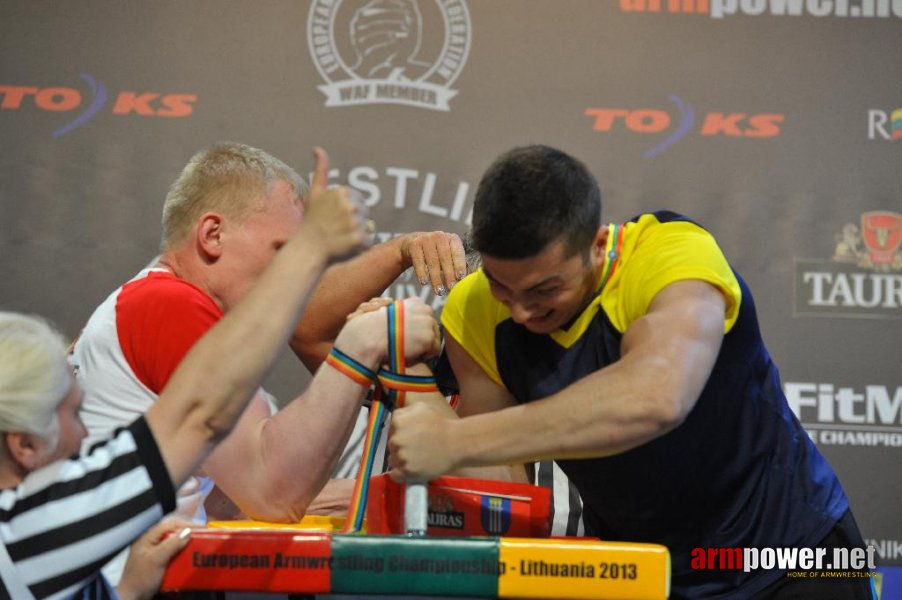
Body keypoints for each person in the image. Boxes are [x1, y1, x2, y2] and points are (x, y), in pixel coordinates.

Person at [388, 144, 875, 599]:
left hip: (797, 547)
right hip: (650, 571)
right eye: (501, 286)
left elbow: (656, 397)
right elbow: (503, 472)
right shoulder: (476, 310)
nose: (519, 312)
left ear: (598, 244)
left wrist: (456, 441)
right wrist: (418, 387)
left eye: (543, 290)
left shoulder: (670, 256)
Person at [0, 171, 441, 597]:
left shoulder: (149, 302)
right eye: (282, 250)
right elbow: (275, 492)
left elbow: (228, 497)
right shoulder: (169, 305)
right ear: (212, 235)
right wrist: (359, 347)